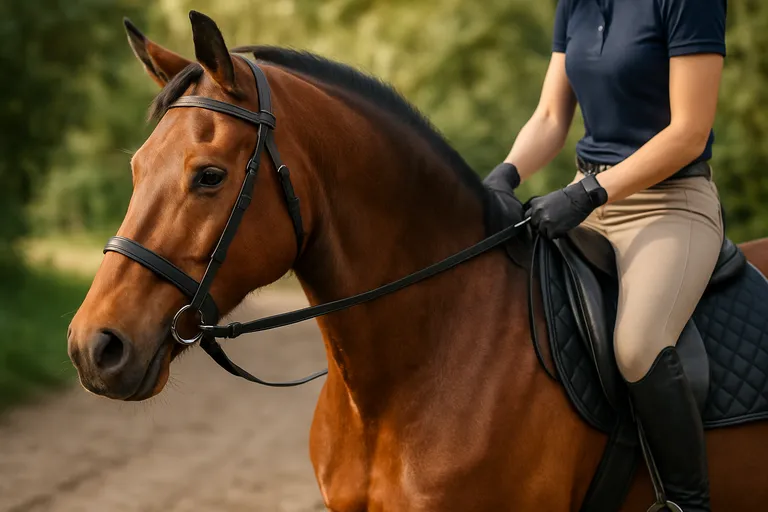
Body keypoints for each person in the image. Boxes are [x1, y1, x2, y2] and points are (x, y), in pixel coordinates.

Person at [484, 1, 727, 510]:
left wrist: (588, 195)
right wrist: (504, 175)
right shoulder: (574, 3)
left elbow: (689, 133)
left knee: (638, 345)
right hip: (589, 196)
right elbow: (551, 116)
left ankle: (687, 501)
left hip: (670, 203)